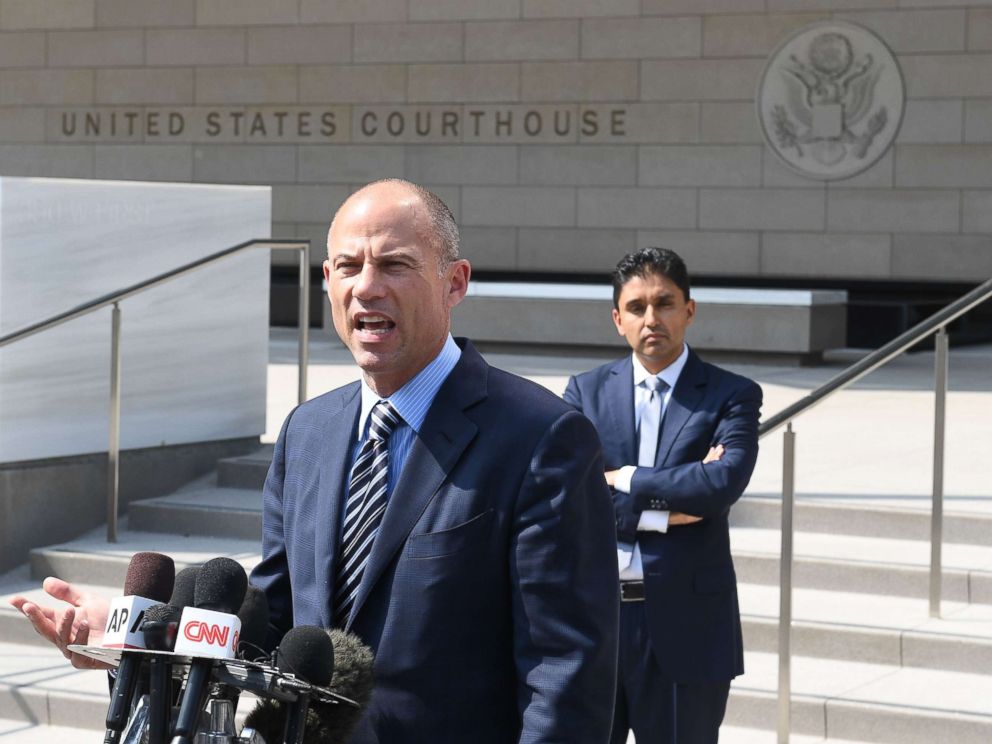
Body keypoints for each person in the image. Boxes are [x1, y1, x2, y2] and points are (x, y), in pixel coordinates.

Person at [10, 179, 620, 744]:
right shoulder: (308, 431)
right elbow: (273, 623)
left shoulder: (542, 436)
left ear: (455, 282)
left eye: (395, 265)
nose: (367, 286)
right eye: (348, 267)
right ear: (326, 280)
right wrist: (138, 638)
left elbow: (565, 675)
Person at [563, 247, 762, 744]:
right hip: (596, 625)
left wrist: (621, 478)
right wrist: (666, 512)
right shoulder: (583, 394)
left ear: (689, 310)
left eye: (665, 303)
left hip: (688, 628)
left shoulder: (731, 395)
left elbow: (719, 487)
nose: (652, 318)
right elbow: (566, 498)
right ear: (617, 319)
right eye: (636, 307)